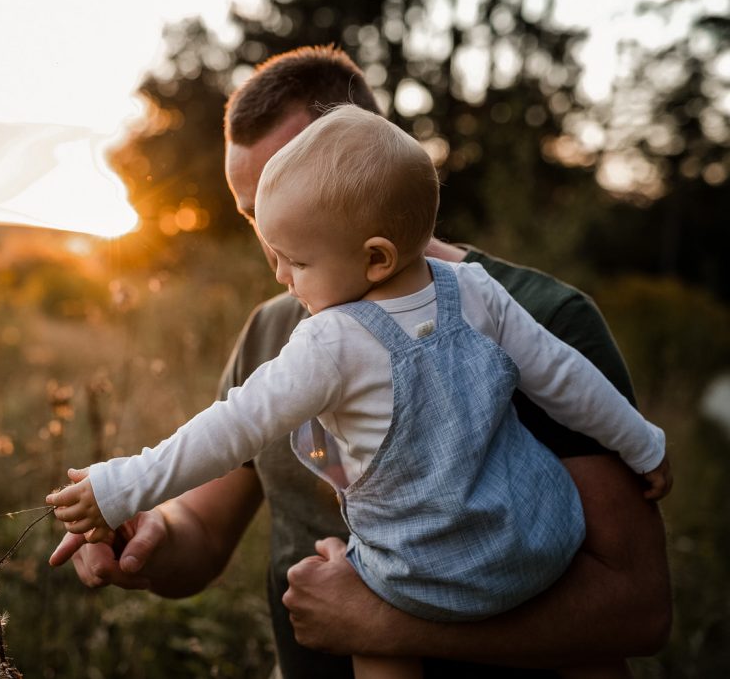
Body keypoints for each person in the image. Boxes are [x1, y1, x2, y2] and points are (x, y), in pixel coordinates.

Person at [49, 46, 673, 678]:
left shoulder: (539, 313)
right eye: (256, 217)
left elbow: (639, 608)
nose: (275, 257)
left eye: (297, 197)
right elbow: (204, 529)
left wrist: (381, 624)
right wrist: (147, 528)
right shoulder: (273, 327)